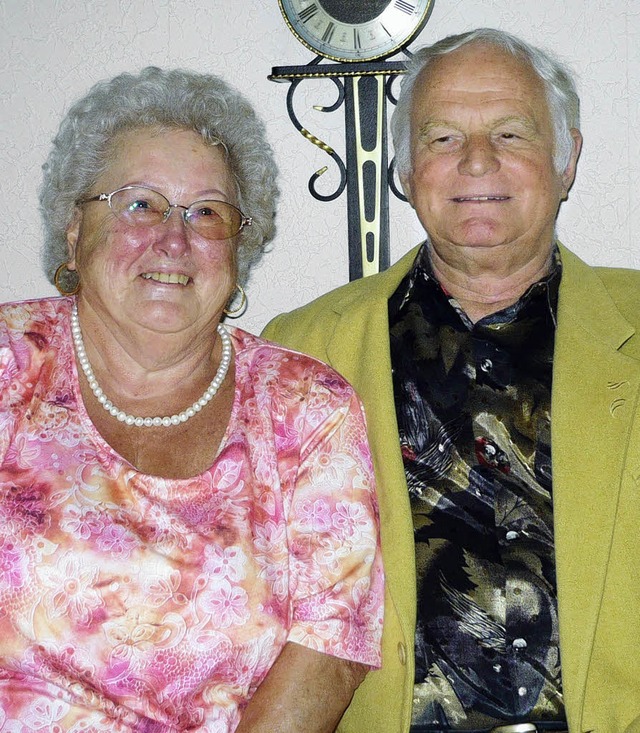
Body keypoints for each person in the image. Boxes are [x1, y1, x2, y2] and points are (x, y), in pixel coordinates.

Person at [263, 27, 640, 733]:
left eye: (509, 133)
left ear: (567, 160)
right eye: (441, 139)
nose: (475, 161)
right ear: (405, 170)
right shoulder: (301, 351)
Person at [0, 66, 384, 732]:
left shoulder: (306, 409)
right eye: (139, 203)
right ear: (73, 230)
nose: (174, 239)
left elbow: (328, 653)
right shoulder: (10, 365)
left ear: (240, 244)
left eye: (206, 212)